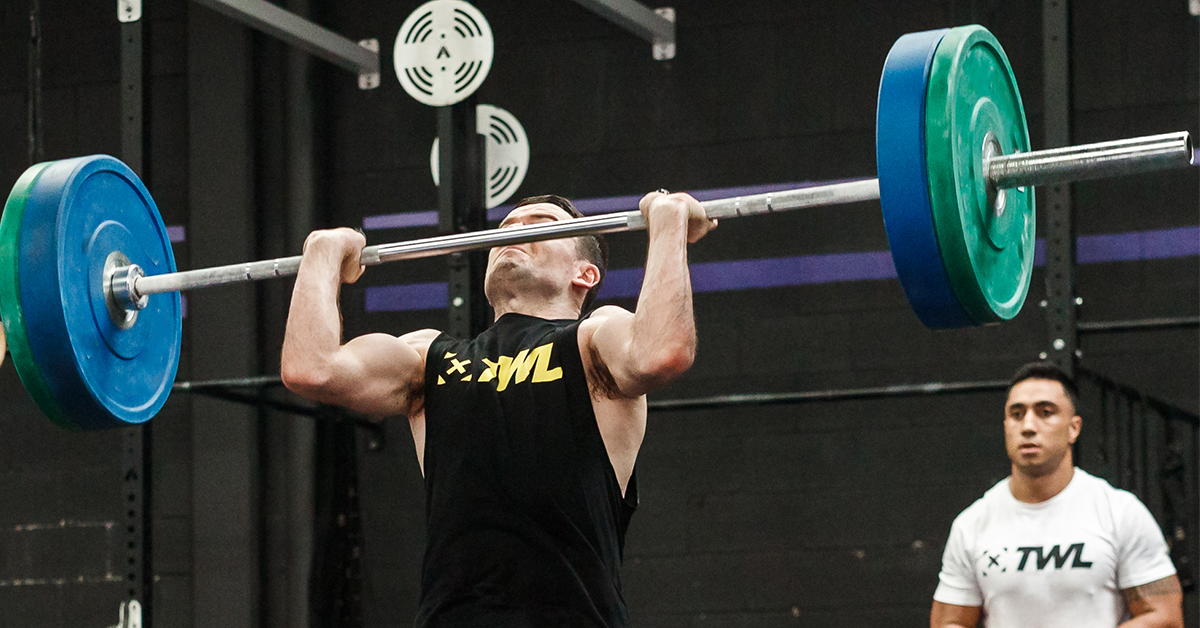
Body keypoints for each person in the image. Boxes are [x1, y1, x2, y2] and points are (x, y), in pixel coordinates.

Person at [281, 192, 716, 627]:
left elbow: (662, 352)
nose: (514, 232)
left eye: (540, 224)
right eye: (505, 227)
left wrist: (667, 225)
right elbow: (312, 369)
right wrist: (321, 252)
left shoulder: (592, 341)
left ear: (584, 273)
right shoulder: (427, 357)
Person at [930, 362, 1184, 628]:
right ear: (1006, 426)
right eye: (1017, 414)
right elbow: (950, 623)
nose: (1028, 426)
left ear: (1073, 428)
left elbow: (1165, 619)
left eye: (1045, 412)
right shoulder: (971, 525)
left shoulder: (1120, 513)